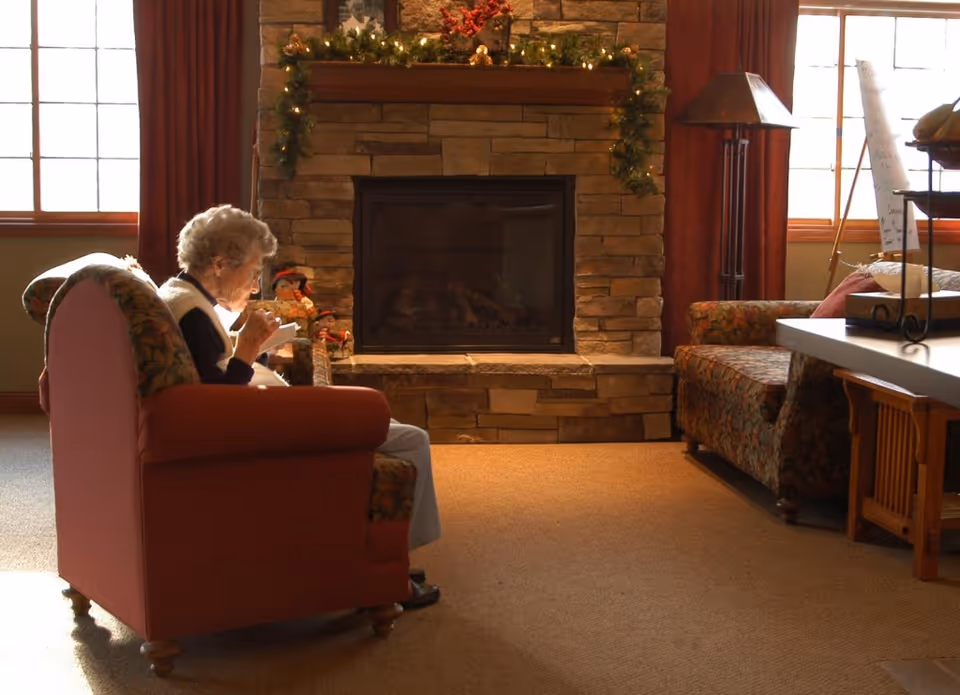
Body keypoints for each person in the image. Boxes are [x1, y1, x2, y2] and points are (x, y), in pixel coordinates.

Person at [157, 204, 441, 610]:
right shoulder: (193, 315)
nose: (255, 285)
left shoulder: (178, 295)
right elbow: (215, 400)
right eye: (253, 273)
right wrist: (250, 348)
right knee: (411, 438)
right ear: (219, 264)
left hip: (260, 414)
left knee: (395, 431)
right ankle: (391, 567)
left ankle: (390, 559)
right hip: (262, 426)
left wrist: (251, 351)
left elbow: (208, 378)